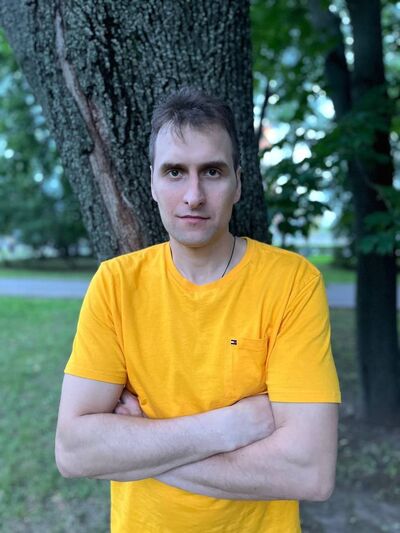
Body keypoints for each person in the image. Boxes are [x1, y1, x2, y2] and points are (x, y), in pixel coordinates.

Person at [55, 87, 341, 533]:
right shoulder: (116, 284)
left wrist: (139, 451)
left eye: (212, 171)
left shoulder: (291, 284)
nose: (193, 195)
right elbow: (74, 452)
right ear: (152, 183)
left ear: (238, 184)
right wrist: (227, 427)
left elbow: (311, 471)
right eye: (175, 172)